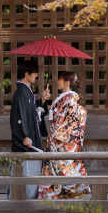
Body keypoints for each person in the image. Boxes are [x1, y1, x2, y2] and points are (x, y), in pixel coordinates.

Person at [38, 70, 91, 199]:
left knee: (65, 169)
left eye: (60, 79)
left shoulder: (71, 99)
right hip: (55, 140)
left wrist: (56, 136)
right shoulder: (63, 98)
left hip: (61, 141)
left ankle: (61, 197)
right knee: (56, 170)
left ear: (67, 82)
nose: (57, 82)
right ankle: (53, 197)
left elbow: (72, 122)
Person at [9, 59, 51, 199]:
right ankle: (23, 201)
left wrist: (42, 101)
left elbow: (33, 112)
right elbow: (18, 116)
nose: (36, 75)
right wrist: (24, 136)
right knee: (27, 174)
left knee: (33, 174)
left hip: (32, 139)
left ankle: (29, 201)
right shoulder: (21, 93)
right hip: (27, 143)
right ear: (26, 74)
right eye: (34, 73)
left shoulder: (27, 92)